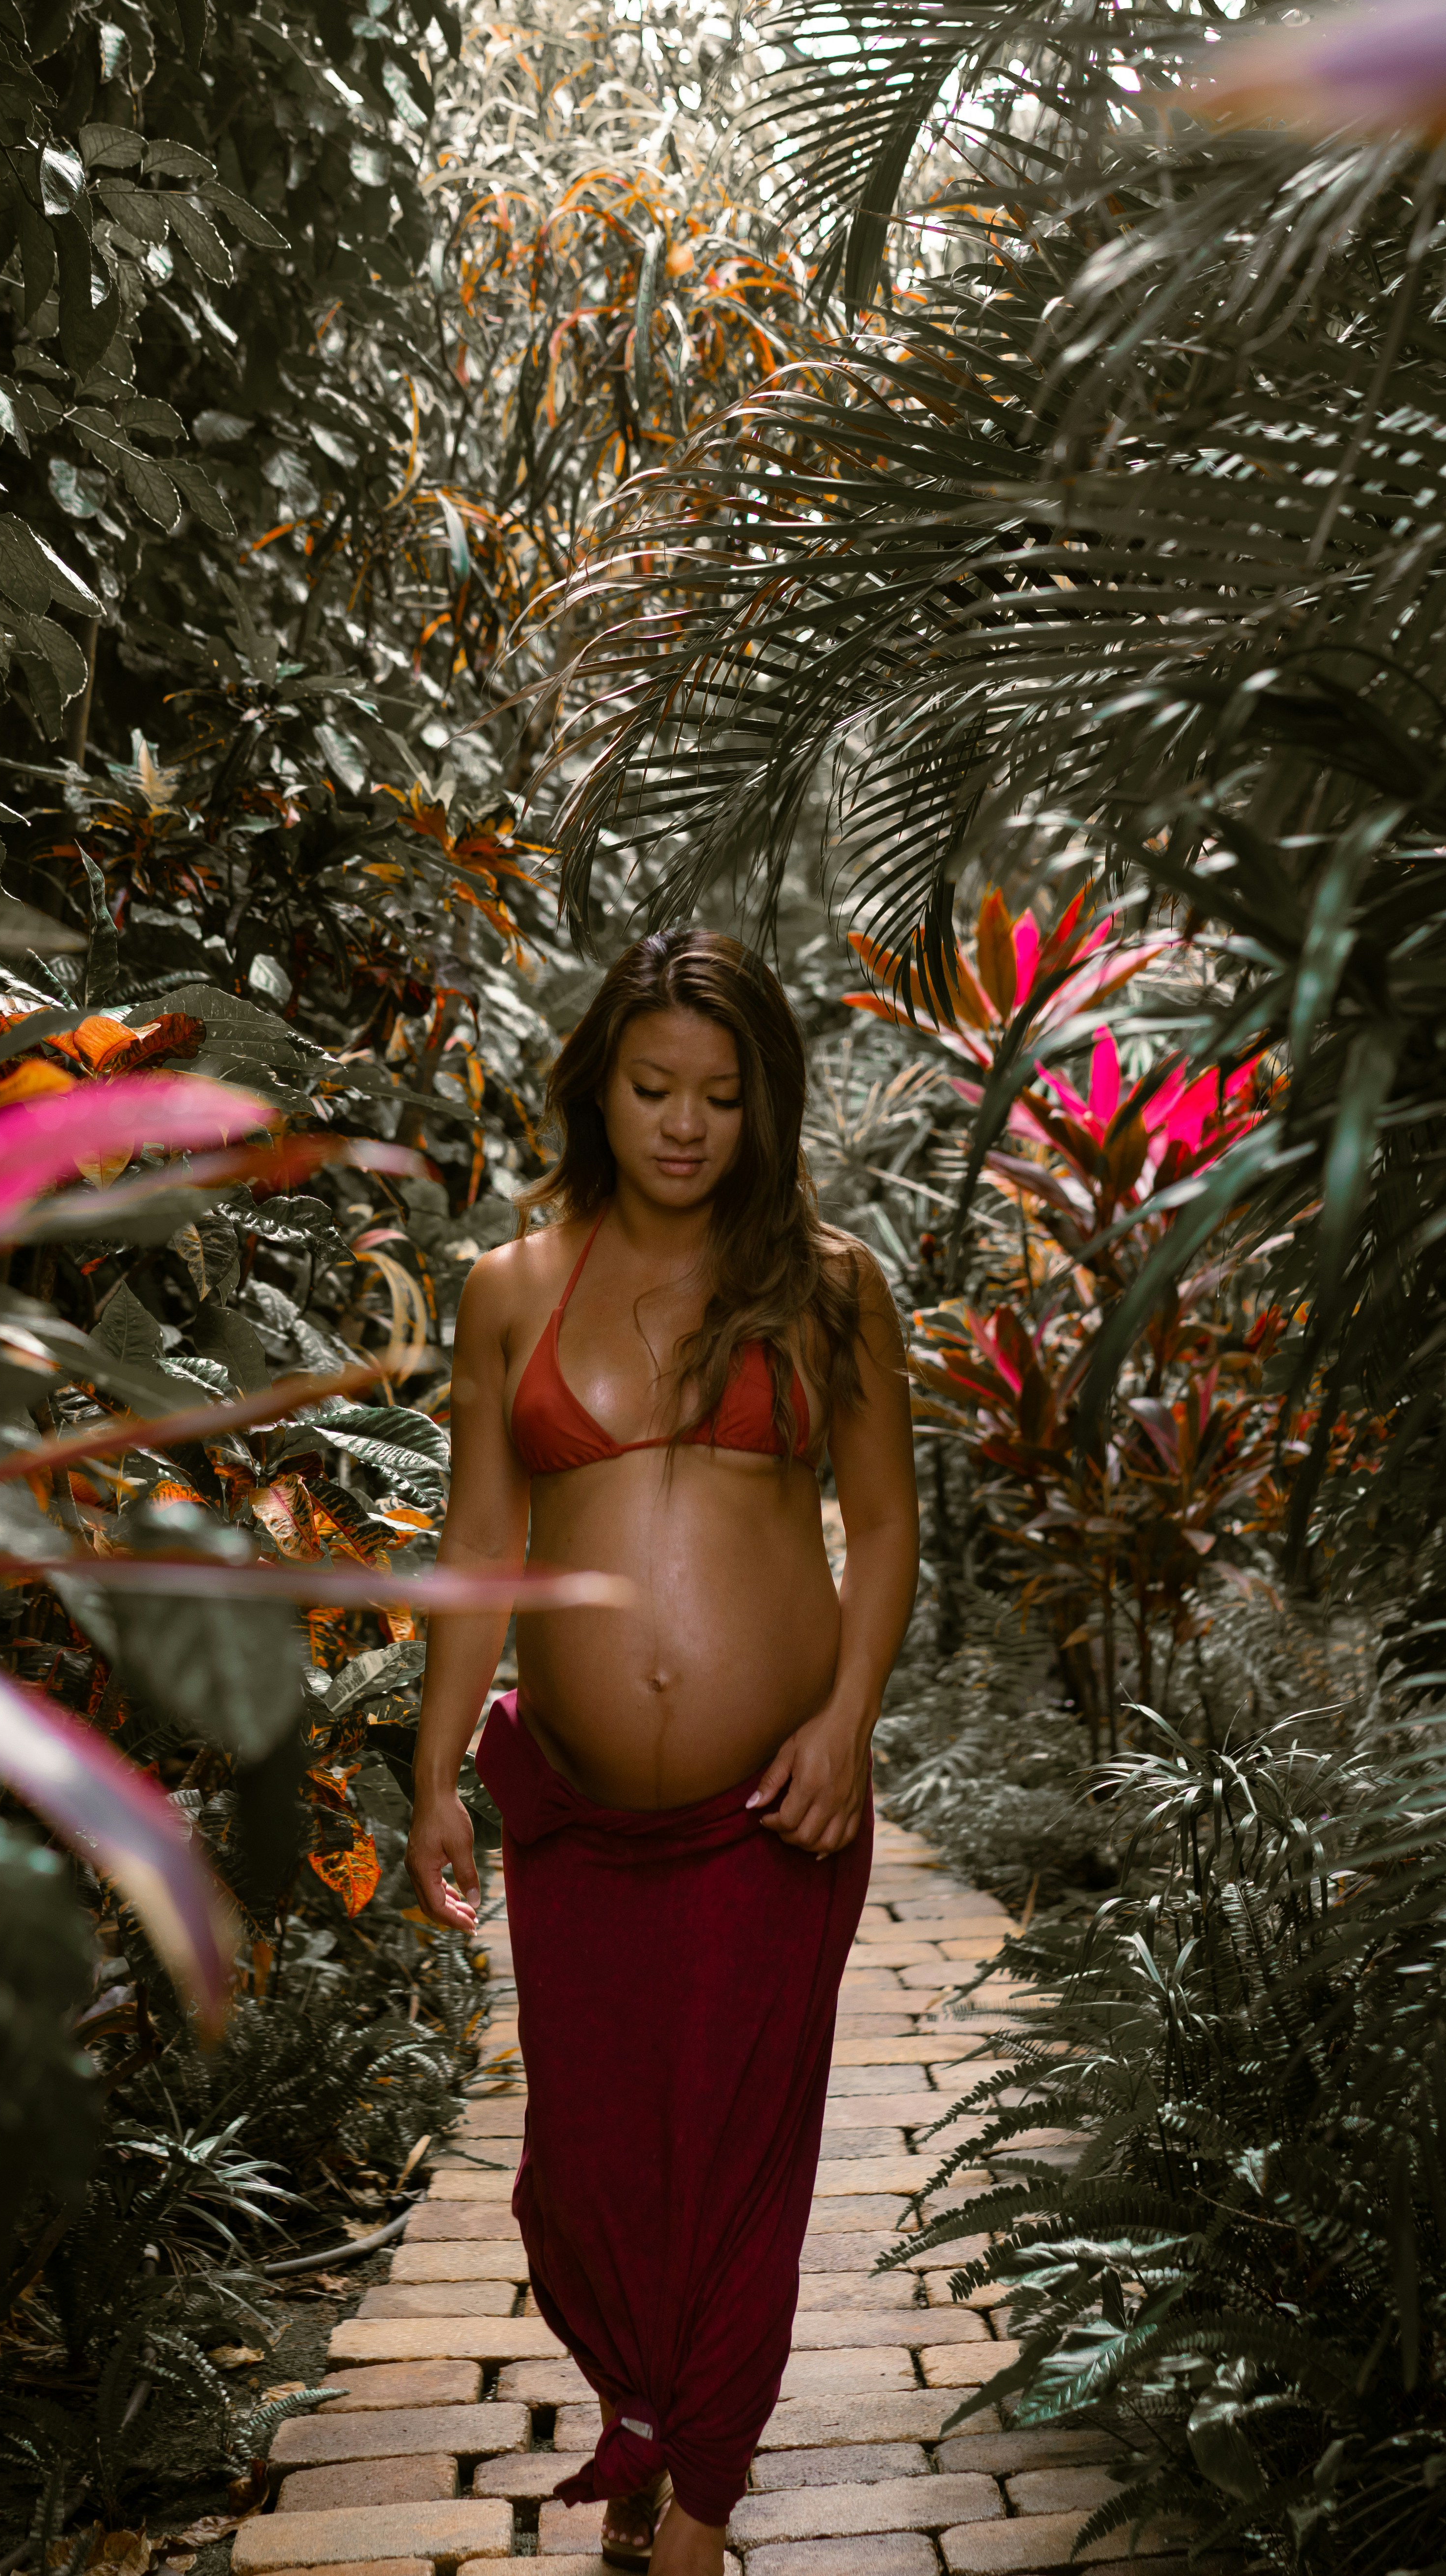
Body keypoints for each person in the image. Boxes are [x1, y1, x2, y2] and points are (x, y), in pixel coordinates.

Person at [406, 928, 919, 2576]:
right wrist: (431, 1771)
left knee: (740, 2156)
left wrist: (846, 1722)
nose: (685, 1125)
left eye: (720, 1095)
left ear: (765, 1107)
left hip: (775, 1807)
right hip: (575, 1815)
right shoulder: (508, 1290)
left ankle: (699, 2490)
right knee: (590, 2172)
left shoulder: (832, 1286)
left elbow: (889, 1524)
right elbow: (483, 1548)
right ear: (597, 1089)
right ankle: (640, 2400)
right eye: (652, 1089)